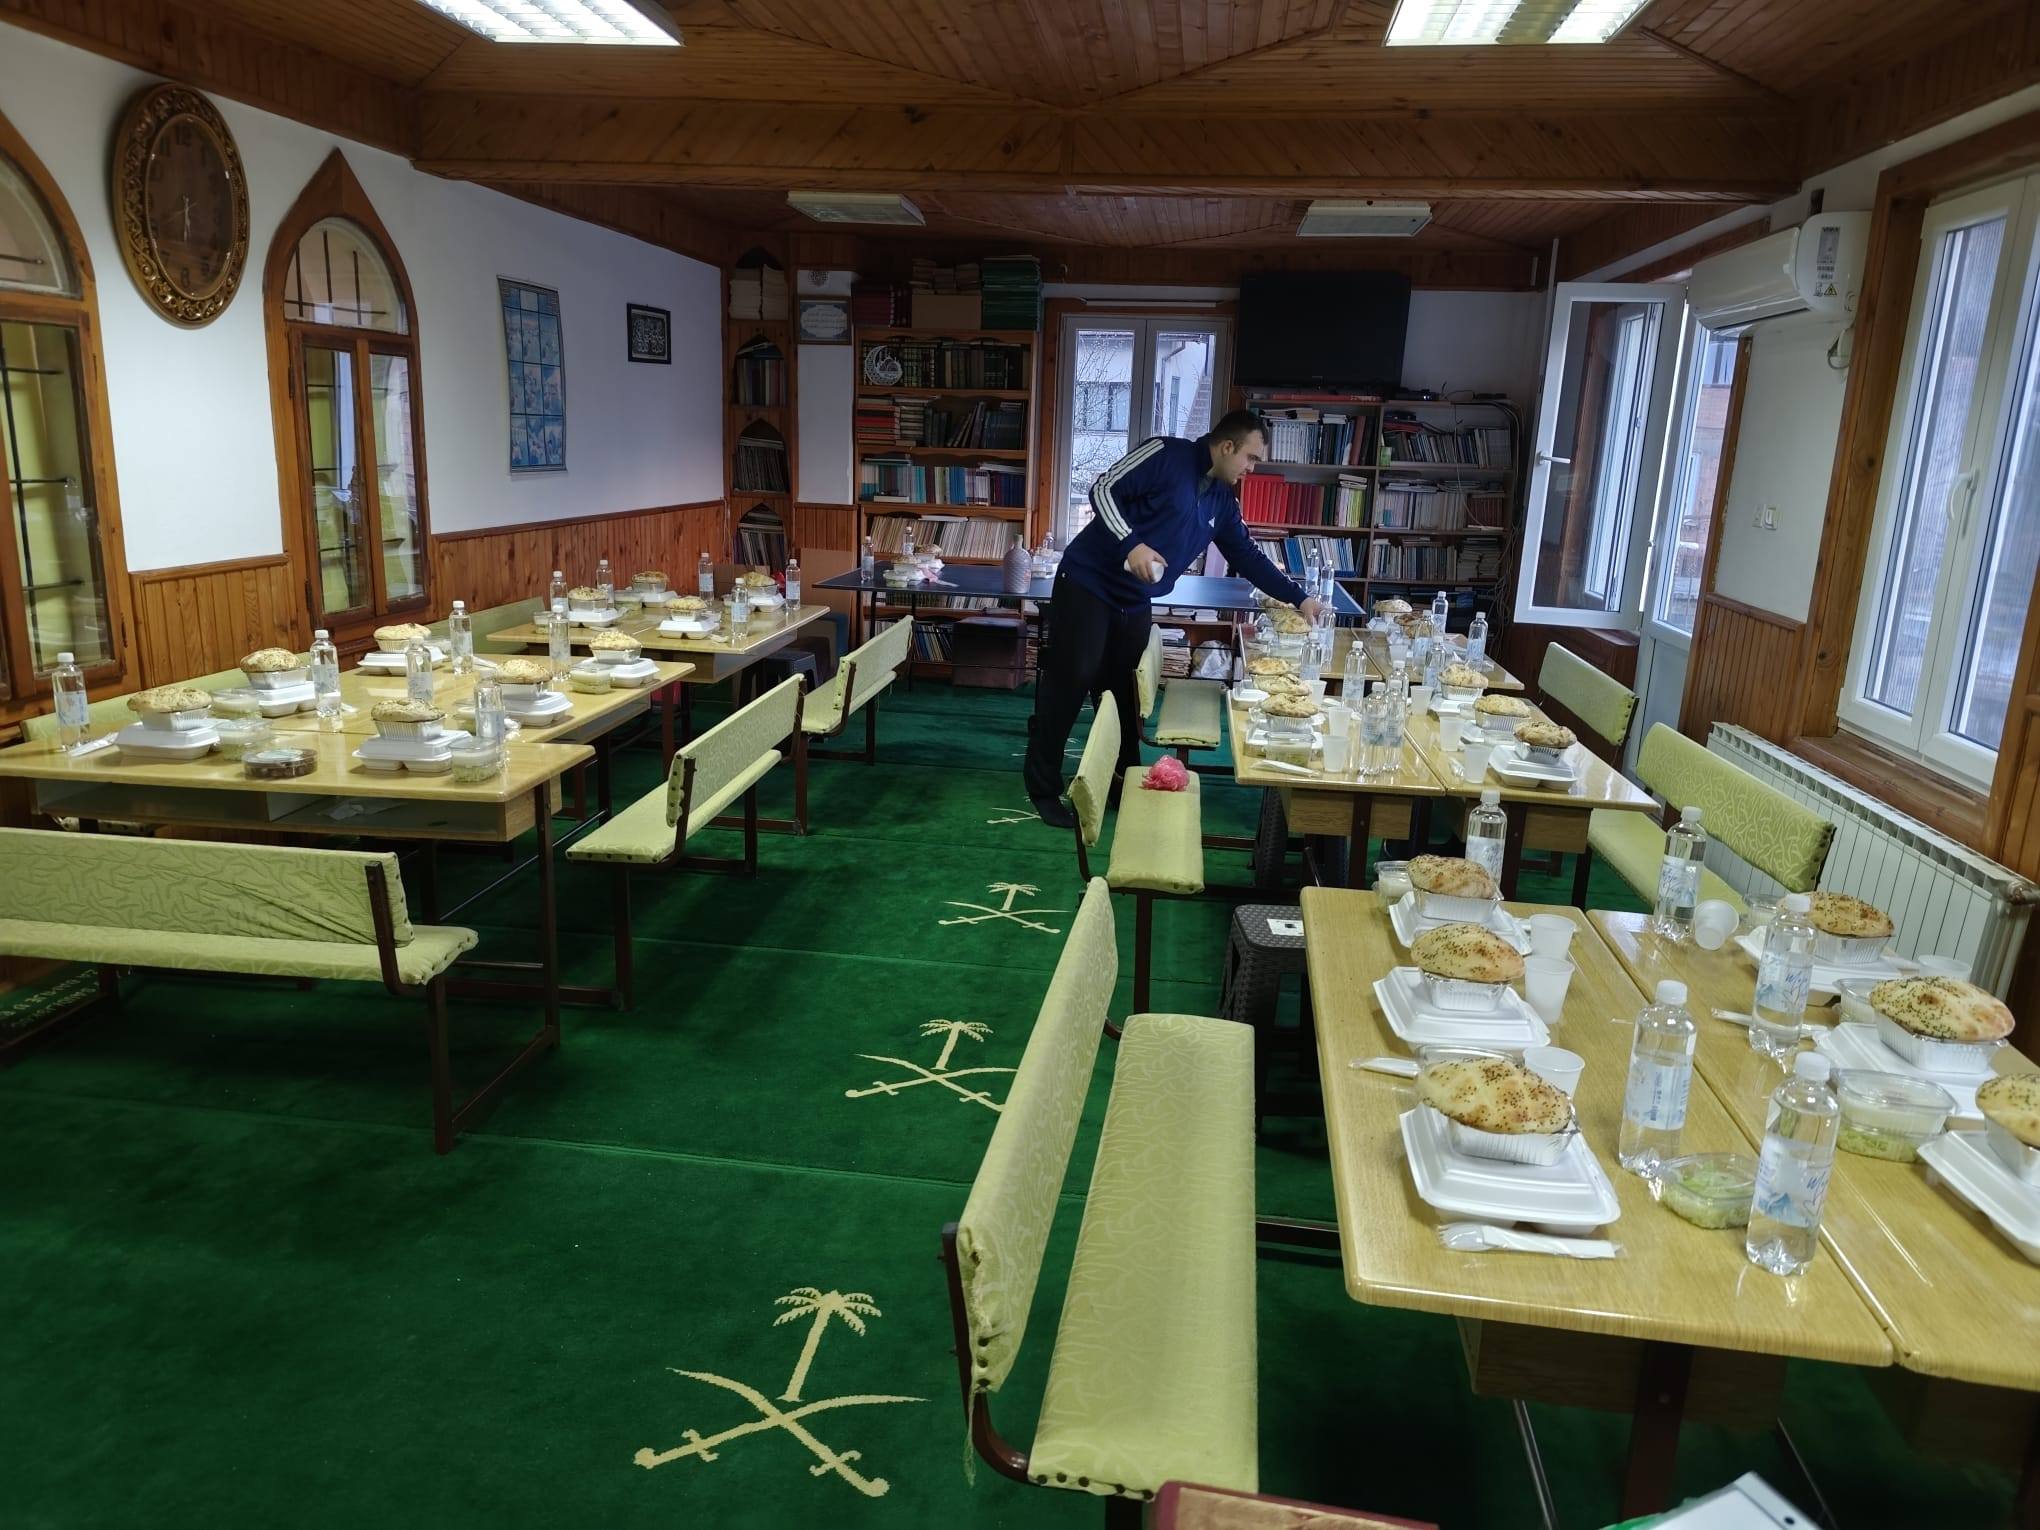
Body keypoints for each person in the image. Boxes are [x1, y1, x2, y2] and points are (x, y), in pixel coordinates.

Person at [1024, 409, 1328, 828]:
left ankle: (1120, 781)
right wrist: (1132, 545)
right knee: (1070, 683)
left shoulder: (1222, 499)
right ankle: (1043, 788)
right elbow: (1103, 489)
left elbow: (1247, 555)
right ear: (1227, 447)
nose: (1252, 469)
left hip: (1133, 599)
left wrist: (1301, 598)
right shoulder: (1166, 454)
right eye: (1251, 458)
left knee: (1123, 695)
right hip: (1087, 584)